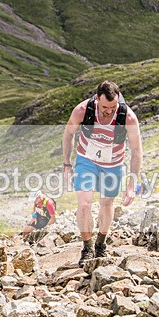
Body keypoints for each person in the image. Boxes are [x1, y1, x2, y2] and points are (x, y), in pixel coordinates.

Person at [62, 80, 143, 266]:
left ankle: (101, 244)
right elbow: (68, 133)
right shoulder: (82, 110)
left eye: (113, 106)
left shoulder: (127, 117)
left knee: (106, 204)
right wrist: (66, 164)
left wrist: (132, 184)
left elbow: (137, 150)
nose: (109, 111)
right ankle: (87, 248)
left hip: (113, 164)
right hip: (86, 160)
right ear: (97, 99)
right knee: (84, 204)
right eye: (105, 107)